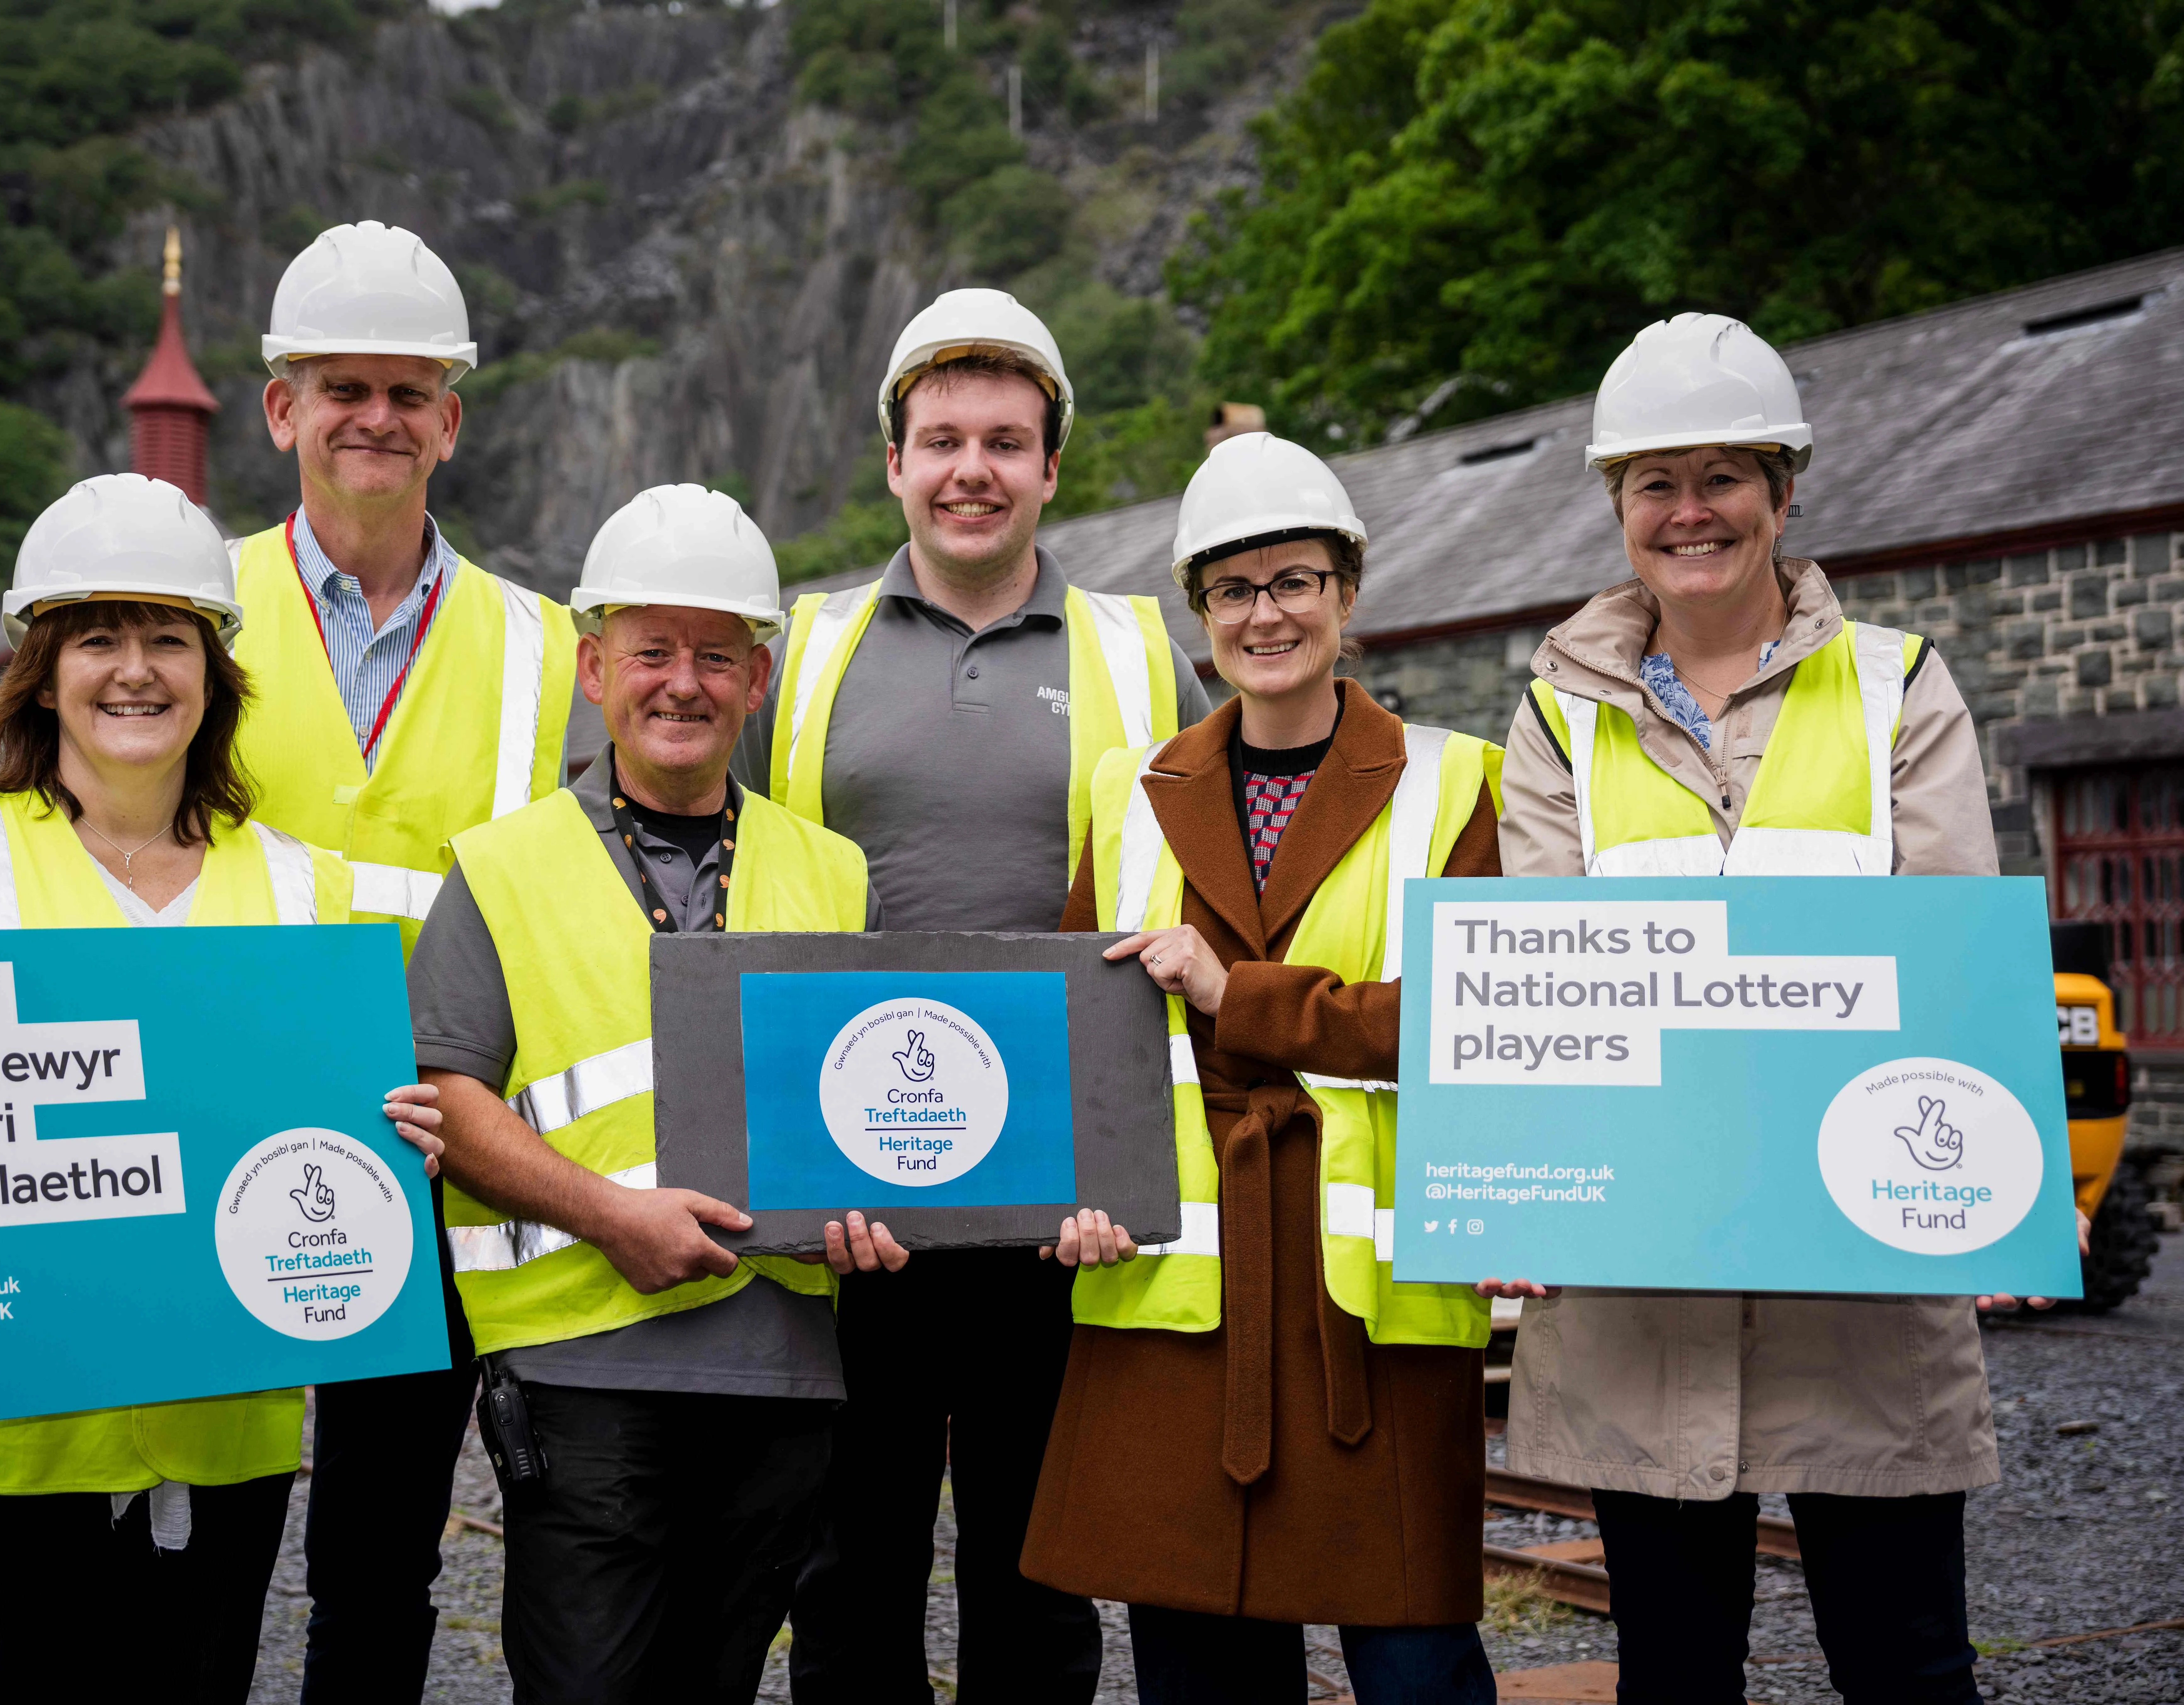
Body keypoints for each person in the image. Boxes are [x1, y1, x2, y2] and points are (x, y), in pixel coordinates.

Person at [0, 474, 451, 1705]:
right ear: (43, 668)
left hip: (210, 1458)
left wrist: (401, 1144)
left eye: (167, 635)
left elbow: (335, 1160)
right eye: (97, 636)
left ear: (212, 672)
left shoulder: (305, 896)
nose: (134, 669)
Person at [1485, 313, 2067, 1705]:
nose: (1689, 514)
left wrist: (1982, 1180)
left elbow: (1944, 969)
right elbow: (1552, 997)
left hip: (1855, 1298)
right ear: (1617, 511)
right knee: (1676, 1680)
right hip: (1649, 1299)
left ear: (1782, 491)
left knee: (1907, 1671)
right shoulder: (1558, 715)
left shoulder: (1896, 688)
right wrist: (1519, 1183)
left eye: (1721, 477)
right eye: (1652, 486)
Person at [741, 287, 1210, 1703]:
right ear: (891, 461)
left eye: (1004, 441)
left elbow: (1199, 900)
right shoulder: (801, 651)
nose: (970, 469)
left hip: (1057, 1200)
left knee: (1042, 1577)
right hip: (849, 1200)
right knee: (847, 1573)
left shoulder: (1140, 652)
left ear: (1050, 467)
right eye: (940, 438)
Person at [1018, 434, 1502, 1704]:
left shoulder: (1455, 785)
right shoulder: (1130, 790)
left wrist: (1247, 1001)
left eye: (1291, 581)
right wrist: (1061, 1197)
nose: (1264, 614)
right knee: (1201, 1671)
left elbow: (1484, 1023)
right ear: (1200, 617)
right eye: (1231, 591)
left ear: (1346, 592)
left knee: (1414, 1670)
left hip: (1370, 1308)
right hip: (1181, 1301)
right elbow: (1079, 1040)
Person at [410, 484, 908, 1703]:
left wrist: (878, 1210)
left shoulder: (833, 873)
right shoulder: (500, 866)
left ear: (755, 677)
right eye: (650, 652)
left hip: (783, 1371)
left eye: (713, 655)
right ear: (593, 668)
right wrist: (610, 1216)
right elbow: (451, 1100)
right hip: (578, 1373)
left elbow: (874, 1110)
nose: (680, 682)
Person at [231, 219, 579, 1702]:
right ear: (280, 410)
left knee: (378, 1564)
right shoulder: (185, 611)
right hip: (214, 1140)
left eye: (404, 390)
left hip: (435, 1166)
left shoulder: (551, 646)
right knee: (190, 1535)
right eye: (339, 387)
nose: (372, 416)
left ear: (450, 418)